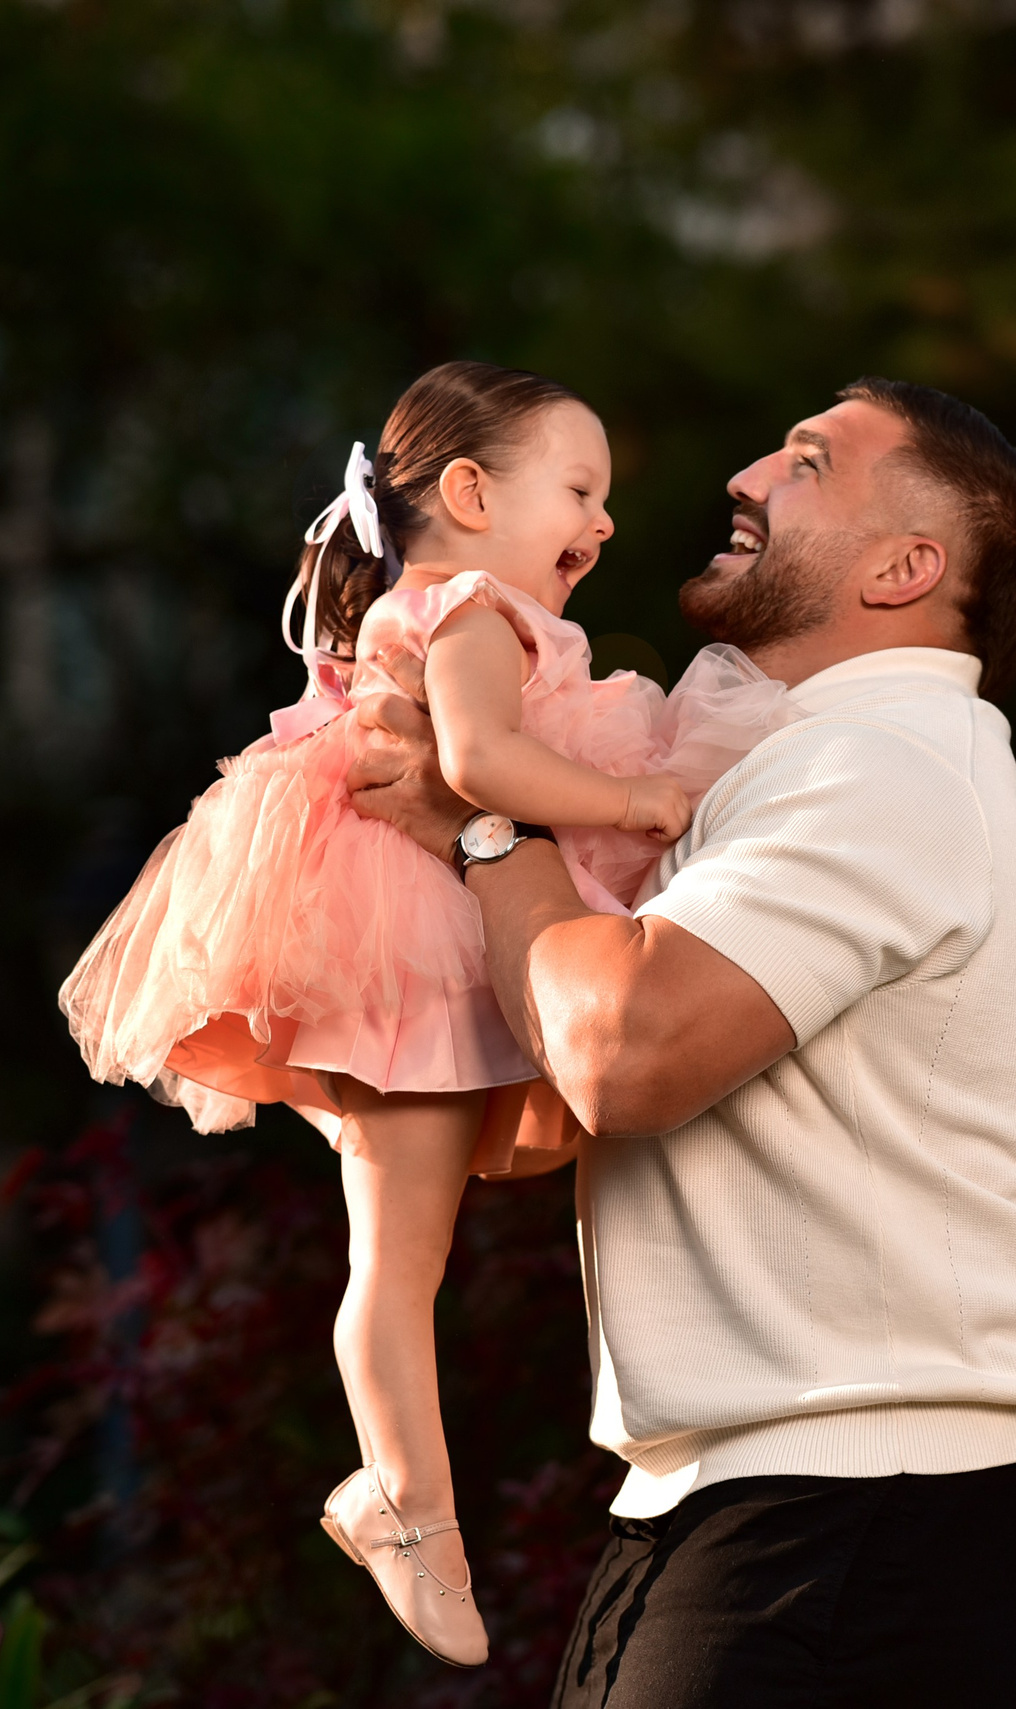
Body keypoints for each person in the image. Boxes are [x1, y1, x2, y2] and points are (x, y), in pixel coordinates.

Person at [348, 376, 1016, 1708]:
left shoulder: (881, 762)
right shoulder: (788, 759)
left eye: (806, 463)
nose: (747, 474)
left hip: (867, 1485)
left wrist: (482, 827)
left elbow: (622, 1052)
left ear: (905, 567)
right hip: (794, 1484)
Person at [56, 360, 798, 1668]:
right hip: (407, 936)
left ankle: (400, 1494)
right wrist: (634, 805)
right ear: (468, 491)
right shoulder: (466, 608)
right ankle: (408, 1506)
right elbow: (477, 767)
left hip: (409, 924)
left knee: (402, 1252)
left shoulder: (465, 610)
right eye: (580, 487)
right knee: (398, 1261)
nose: (606, 519)